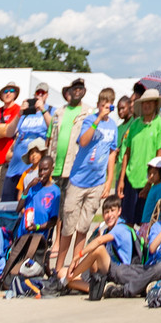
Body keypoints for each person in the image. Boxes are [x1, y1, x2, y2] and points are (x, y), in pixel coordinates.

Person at [55, 87, 119, 285]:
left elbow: (112, 153)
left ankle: (75, 268)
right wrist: (98, 119)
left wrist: (109, 180)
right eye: (102, 105)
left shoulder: (113, 127)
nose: (105, 108)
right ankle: (58, 268)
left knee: (83, 227)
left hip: (96, 182)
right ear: (98, 105)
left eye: (109, 106)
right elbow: (83, 141)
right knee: (68, 225)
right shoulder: (89, 120)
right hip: (78, 179)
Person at [63, 193, 134, 297]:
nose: (109, 215)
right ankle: (100, 289)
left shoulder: (121, 228)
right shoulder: (106, 231)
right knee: (62, 273)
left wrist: (78, 256)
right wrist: (96, 236)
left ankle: (71, 279)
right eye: (106, 212)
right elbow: (94, 248)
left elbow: (99, 243)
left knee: (98, 249)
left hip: (120, 270)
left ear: (119, 211)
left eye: (112, 211)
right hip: (104, 271)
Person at [117, 88, 161, 227]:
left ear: (156, 104)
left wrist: (150, 182)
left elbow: (159, 155)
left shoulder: (160, 124)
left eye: (150, 102)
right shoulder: (134, 124)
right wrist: (121, 179)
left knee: (146, 222)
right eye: (144, 102)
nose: (147, 105)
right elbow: (127, 152)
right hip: (131, 178)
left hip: (149, 181)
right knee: (127, 220)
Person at [50, 79, 88, 208]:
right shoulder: (58, 112)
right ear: (69, 91)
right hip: (55, 167)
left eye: (80, 88)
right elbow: (50, 139)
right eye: (74, 88)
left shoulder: (88, 113)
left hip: (74, 167)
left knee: (68, 207)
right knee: (51, 206)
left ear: (84, 91)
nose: (77, 91)